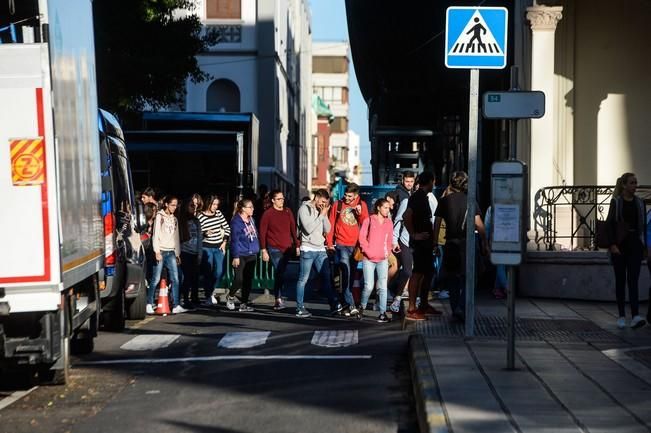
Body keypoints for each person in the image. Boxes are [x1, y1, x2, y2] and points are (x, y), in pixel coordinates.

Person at [433, 171, 488, 322]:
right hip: (467, 243)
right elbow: (480, 225)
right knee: (471, 276)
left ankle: (455, 308)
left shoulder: (444, 201)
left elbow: (437, 223)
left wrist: (435, 243)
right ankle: (462, 306)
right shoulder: (470, 201)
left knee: (452, 278)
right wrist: (485, 243)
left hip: (450, 243)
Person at [606, 173, 646, 329]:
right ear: (623, 185)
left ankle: (635, 315)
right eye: (632, 183)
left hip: (635, 243)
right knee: (621, 280)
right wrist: (612, 244)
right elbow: (610, 224)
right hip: (620, 245)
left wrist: (643, 246)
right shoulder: (616, 202)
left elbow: (641, 225)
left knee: (633, 280)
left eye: (636, 183)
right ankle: (621, 315)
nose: (635, 186)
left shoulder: (639, 203)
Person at [296, 189, 343, 318]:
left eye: (326, 203)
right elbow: (308, 228)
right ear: (316, 197)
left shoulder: (321, 210)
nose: (323, 205)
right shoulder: (304, 209)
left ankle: (334, 305)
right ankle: (300, 308)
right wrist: (321, 215)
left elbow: (327, 229)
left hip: (320, 249)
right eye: (322, 202)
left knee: (327, 278)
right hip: (308, 248)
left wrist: (324, 215)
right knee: (303, 279)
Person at [326, 183, 369, 314]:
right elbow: (331, 224)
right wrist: (329, 243)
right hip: (341, 244)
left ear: (356, 195)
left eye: (349, 196)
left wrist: (360, 214)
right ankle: (351, 305)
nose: (346, 198)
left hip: (356, 246)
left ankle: (344, 303)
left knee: (350, 277)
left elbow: (366, 224)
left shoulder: (362, 205)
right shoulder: (337, 205)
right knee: (346, 273)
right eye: (345, 195)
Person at [403, 172, 440, 321]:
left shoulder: (423, 197)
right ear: (430, 181)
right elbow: (406, 216)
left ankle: (424, 304)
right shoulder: (417, 197)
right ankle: (412, 308)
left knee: (429, 272)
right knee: (418, 273)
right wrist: (414, 234)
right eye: (433, 182)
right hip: (420, 244)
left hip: (426, 243)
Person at [259, 190, 300, 310]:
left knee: (282, 274)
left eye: (282, 198)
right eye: (278, 199)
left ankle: (278, 297)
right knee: (280, 272)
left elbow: (293, 229)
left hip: (287, 248)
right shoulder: (268, 214)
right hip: (274, 248)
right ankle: (278, 299)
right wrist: (263, 250)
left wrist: (297, 245)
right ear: (273, 200)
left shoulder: (288, 212)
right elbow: (262, 233)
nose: (281, 201)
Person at [146, 196, 186, 314]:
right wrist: (157, 251)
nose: (174, 207)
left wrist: (177, 253)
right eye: (172, 205)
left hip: (171, 251)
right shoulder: (159, 216)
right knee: (156, 278)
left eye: (176, 205)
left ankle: (176, 304)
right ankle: (149, 302)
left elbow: (176, 237)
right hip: (161, 251)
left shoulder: (175, 219)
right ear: (166, 204)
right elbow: (155, 234)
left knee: (175, 278)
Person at [358, 198, 396, 323]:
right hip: (368, 259)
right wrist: (367, 251)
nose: (387, 209)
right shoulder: (369, 220)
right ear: (378, 207)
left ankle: (382, 313)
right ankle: (362, 307)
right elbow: (362, 237)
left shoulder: (389, 223)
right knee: (368, 286)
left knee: (383, 287)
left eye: (388, 207)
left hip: (382, 259)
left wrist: (387, 253)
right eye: (385, 207)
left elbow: (389, 240)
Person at [226, 199, 260, 312]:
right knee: (239, 279)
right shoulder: (236, 222)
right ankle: (230, 296)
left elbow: (255, 235)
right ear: (243, 209)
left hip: (251, 253)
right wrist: (235, 256)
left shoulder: (252, 220)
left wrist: (256, 248)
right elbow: (234, 240)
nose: (252, 209)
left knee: (248, 279)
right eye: (250, 207)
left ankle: (244, 303)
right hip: (240, 253)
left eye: (252, 207)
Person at [197, 195, 230, 305]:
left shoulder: (219, 214)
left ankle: (211, 291)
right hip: (206, 247)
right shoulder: (200, 216)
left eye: (217, 204)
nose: (215, 207)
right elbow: (197, 233)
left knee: (219, 271)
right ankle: (208, 295)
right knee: (208, 271)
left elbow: (227, 228)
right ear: (208, 203)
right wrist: (205, 233)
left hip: (218, 246)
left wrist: (224, 242)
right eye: (214, 204)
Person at [179, 200, 203, 306]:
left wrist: (200, 252)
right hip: (184, 251)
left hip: (195, 251)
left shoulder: (196, 220)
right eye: (191, 206)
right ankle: (184, 297)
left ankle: (194, 297)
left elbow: (199, 237)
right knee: (186, 277)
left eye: (194, 207)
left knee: (195, 277)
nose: (194, 208)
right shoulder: (181, 220)